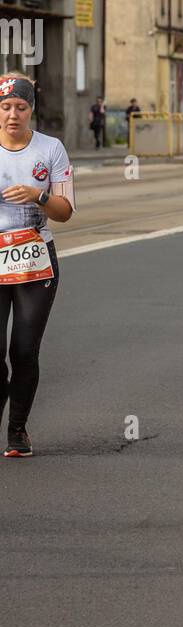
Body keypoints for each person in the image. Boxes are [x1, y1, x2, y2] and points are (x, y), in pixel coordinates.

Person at [0, 74, 74, 457]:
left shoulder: (51, 149)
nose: (13, 115)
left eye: (21, 107)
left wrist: (37, 194)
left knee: (24, 350)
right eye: (6, 107)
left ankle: (17, 430)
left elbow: (64, 211)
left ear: (31, 110)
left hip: (34, 258)